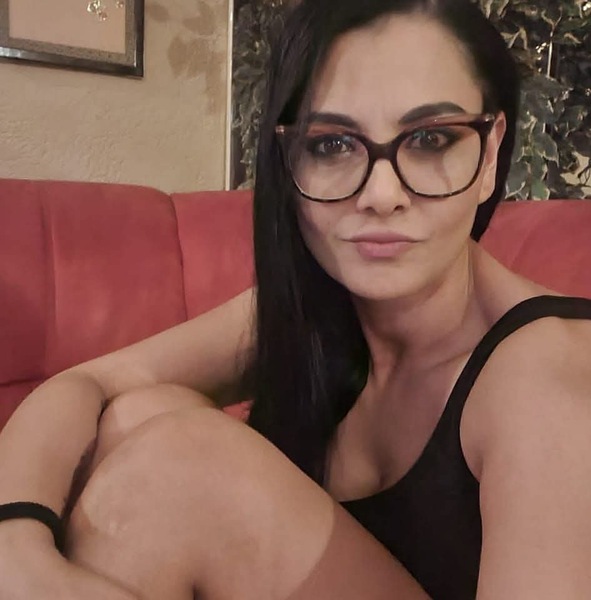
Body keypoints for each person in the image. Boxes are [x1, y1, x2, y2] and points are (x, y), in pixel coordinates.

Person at [2, 0, 591, 598]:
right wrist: (16, 547)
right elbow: (86, 384)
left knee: (178, 467)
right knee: (138, 415)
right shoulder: (319, 306)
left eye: (430, 139)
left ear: (489, 155)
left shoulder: (545, 377)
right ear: (287, 162)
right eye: (332, 145)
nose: (381, 194)